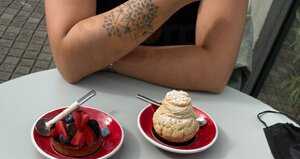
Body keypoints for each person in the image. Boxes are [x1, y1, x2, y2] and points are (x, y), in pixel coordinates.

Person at [45, 0, 253, 92]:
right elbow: (70, 60)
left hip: (186, 109)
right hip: (94, 96)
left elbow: (212, 72)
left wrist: (95, 56)